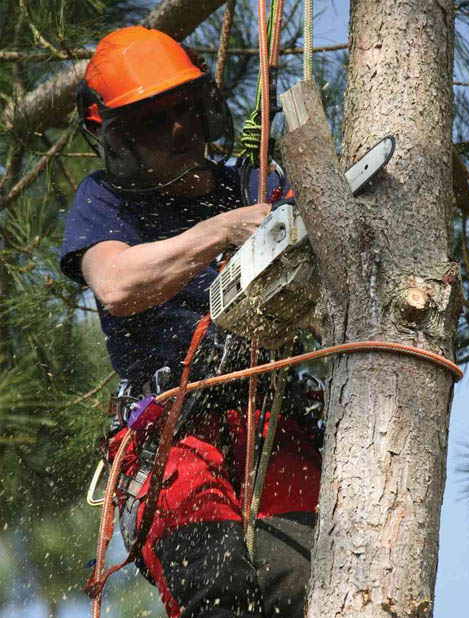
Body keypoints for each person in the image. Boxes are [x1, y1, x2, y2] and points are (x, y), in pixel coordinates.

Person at [60, 25, 322, 618]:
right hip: (174, 434)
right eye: (155, 119)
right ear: (119, 137)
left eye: (185, 110)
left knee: (300, 583)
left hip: (273, 420)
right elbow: (117, 283)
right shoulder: (105, 201)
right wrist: (218, 233)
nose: (179, 129)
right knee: (217, 583)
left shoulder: (251, 182)